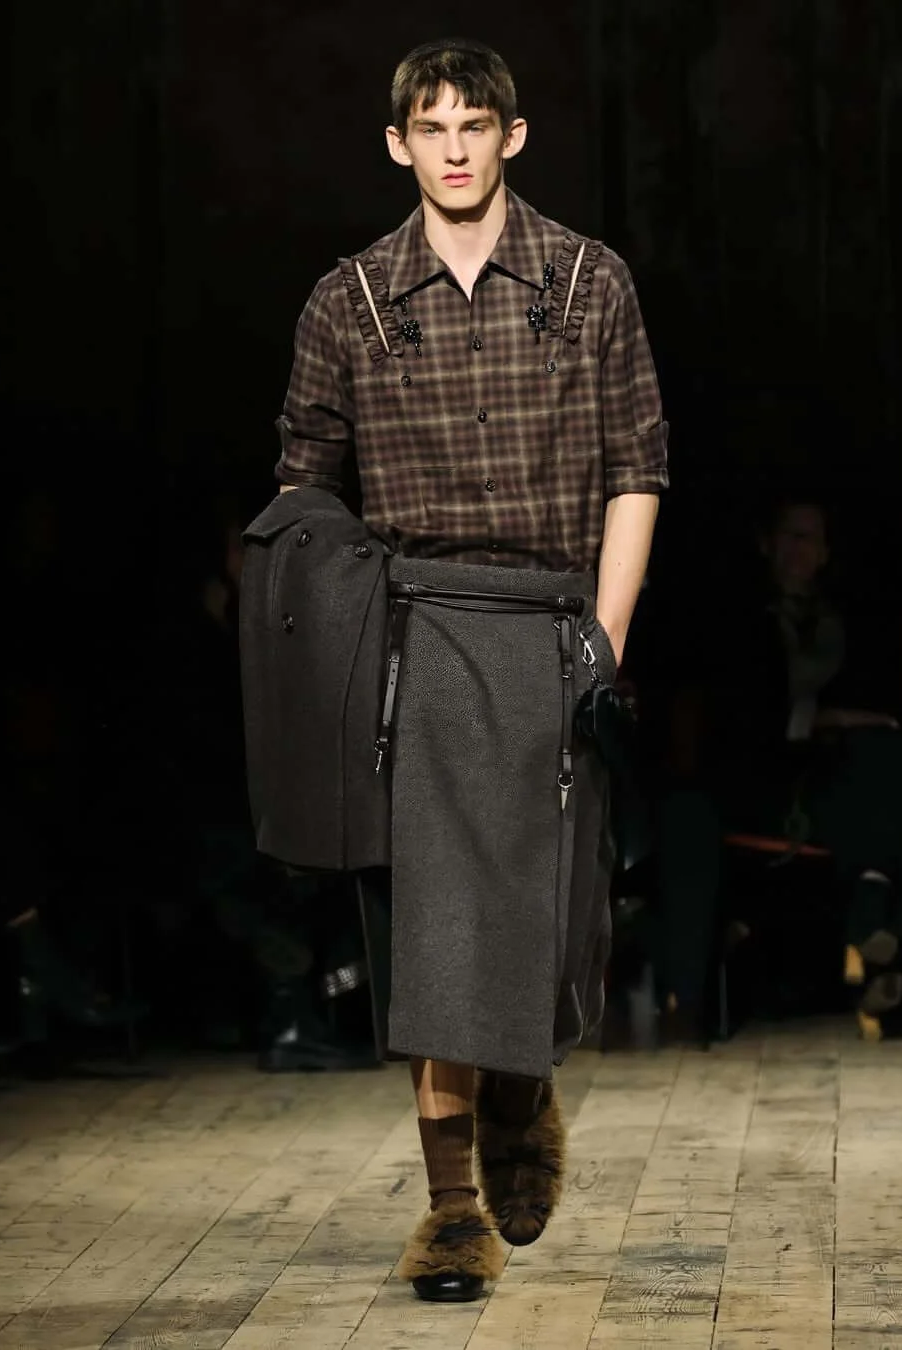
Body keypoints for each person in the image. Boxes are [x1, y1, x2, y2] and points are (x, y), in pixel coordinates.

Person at [271, 39, 667, 1302]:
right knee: (435, 932)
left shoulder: (588, 281)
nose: (453, 148)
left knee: (545, 923)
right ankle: (451, 1212)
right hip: (420, 634)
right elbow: (302, 490)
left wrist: (605, 642)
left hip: (554, 631)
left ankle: (519, 1084)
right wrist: (323, 651)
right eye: (431, 128)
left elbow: (637, 466)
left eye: (475, 125)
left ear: (513, 136)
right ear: (399, 143)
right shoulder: (351, 300)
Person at [653, 493, 902, 1043]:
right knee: (883, 800)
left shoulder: (852, 621)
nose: (800, 548)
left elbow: (884, 706)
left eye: (811, 538)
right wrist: (818, 718)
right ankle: (887, 926)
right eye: (790, 535)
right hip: (758, 777)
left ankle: (877, 916)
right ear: (766, 543)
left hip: (835, 777)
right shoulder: (732, 618)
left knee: (890, 760)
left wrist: (843, 725)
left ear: (826, 552)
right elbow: (729, 714)